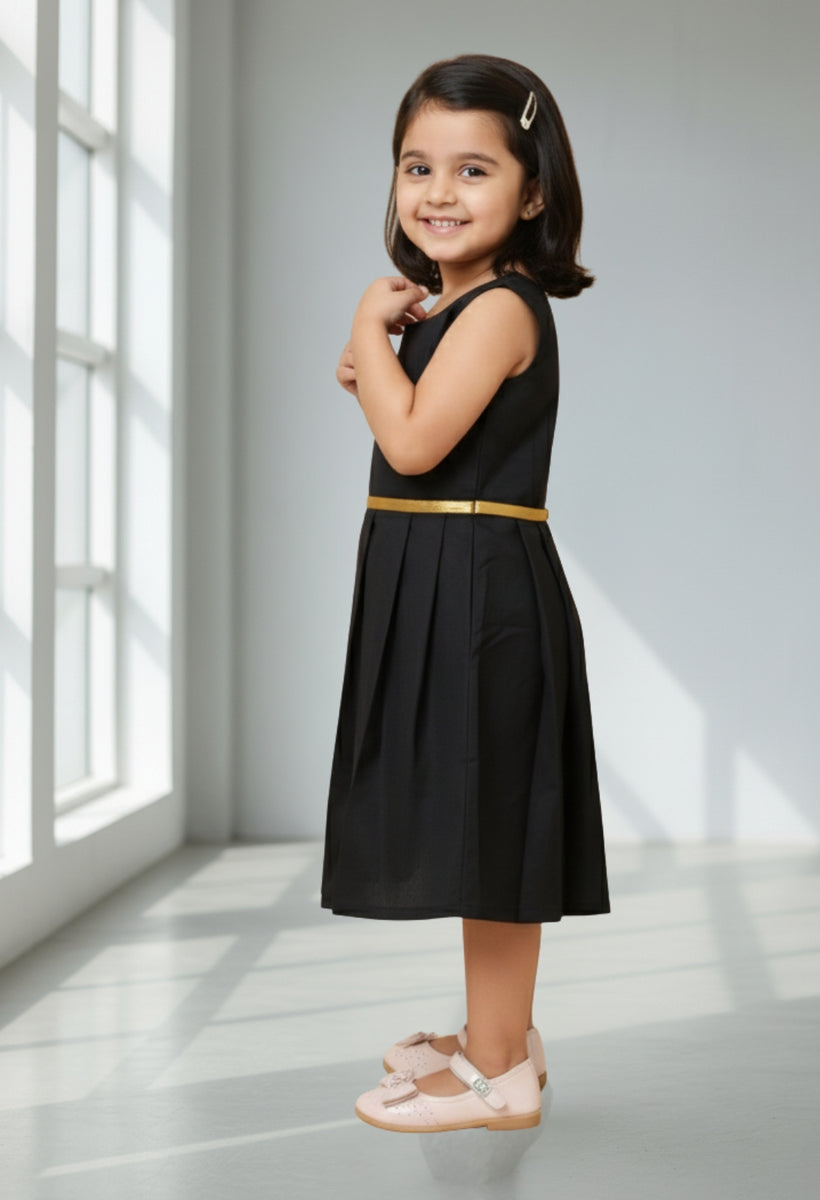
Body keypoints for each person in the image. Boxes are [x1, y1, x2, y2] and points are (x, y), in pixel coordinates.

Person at [321, 53, 610, 1133]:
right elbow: (410, 423)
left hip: (479, 592)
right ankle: (498, 1038)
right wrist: (386, 353)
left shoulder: (498, 307)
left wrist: (364, 333)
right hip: (441, 576)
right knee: (474, 817)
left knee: (491, 826)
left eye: (474, 169)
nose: (438, 193)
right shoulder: (454, 310)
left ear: (533, 192)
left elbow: (411, 435)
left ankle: (500, 1071)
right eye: (417, 166)